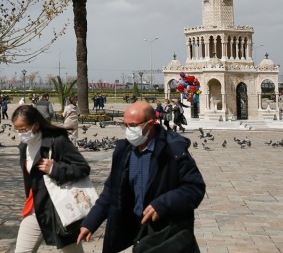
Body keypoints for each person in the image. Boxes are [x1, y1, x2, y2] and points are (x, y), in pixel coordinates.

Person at [77, 101, 205, 253]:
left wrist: (163, 204)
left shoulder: (172, 150)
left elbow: (194, 187)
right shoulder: (124, 152)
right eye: (125, 125)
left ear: (150, 124)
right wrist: (91, 222)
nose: (129, 130)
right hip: (138, 227)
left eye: (133, 125)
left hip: (167, 231)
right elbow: (112, 190)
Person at [12, 104, 90, 253]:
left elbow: (83, 168)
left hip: (62, 209)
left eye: (23, 130)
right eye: (17, 130)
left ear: (35, 125)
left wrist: (55, 169)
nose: (21, 134)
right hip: (37, 209)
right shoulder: (24, 146)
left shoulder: (57, 141)